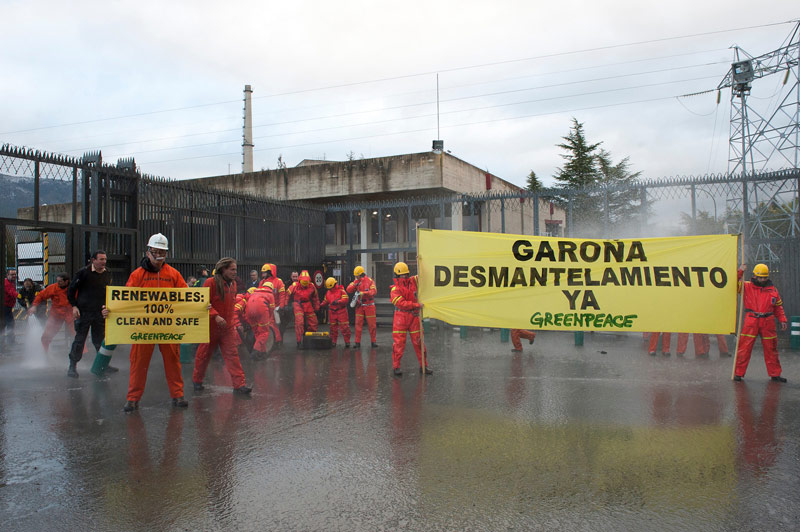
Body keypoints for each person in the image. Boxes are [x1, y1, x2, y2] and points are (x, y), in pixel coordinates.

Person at [121, 233, 189, 412]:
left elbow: (187, 297)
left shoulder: (173, 274)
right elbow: (125, 300)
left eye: (163, 252)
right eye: (156, 252)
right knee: (138, 363)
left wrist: (201, 306)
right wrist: (109, 310)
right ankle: (133, 399)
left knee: (173, 361)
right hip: (144, 328)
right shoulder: (137, 275)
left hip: (168, 327)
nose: (159, 256)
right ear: (148, 252)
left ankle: (178, 395)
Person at [193, 257, 252, 394]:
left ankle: (239, 385)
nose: (235, 272)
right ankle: (197, 380)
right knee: (203, 355)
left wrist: (235, 323)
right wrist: (215, 315)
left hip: (227, 328)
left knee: (233, 356)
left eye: (235, 269)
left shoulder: (234, 285)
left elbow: (232, 307)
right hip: (210, 327)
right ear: (223, 269)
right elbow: (203, 303)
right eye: (232, 269)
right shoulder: (210, 282)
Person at [734, 263, 788, 383]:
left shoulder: (773, 290)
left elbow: (778, 307)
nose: (762, 279)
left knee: (771, 349)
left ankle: (775, 374)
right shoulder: (746, 286)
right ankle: (738, 373)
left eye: (764, 277)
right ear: (755, 276)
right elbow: (733, 283)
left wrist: (782, 319)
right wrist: (740, 271)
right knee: (744, 348)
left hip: (768, 321)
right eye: (760, 277)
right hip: (751, 320)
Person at [66, 251, 113, 378]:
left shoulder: (107, 273)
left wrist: (107, 307)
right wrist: (74, 306)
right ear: (93, 260)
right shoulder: (83, 273)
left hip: (99, 312)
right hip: (84, 312)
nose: (104, 262)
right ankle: (72, 366)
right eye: (101, 259)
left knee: (100, 340)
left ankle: (103, 365)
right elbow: (71, 290)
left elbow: (109, 292)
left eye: (105, 259)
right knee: (80, 340)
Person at [390, 261, 431, 376]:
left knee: (419, 343)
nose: (404, 276)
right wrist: (416, 305)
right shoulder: (394, 289)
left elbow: (424, 276)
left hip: (413, 317)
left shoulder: (413, 281)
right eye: (402, 275)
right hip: (401, 317)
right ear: (397, 276)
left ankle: (424, 366)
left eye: (406, 274)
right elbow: (401, 303)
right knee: (399, 344)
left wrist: (422, 261)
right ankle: (396, 367)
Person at [28, 273, 74, 351]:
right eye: (57, 281)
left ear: (66, 282)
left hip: (70, 312)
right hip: (56, 314)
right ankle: (44, 353)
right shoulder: (53, 288)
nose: (58, 283)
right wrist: (34, 306)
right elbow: (41, 296)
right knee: (46, 336)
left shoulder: (73, 288)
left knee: (76, 334)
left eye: (60, 281)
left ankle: (82, 353)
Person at [346, 265, 378, 348]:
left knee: (372, 325)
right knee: (358, 324)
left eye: (357, 276)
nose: (356, 277)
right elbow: (348, 289)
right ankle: (357, 342)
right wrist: (355, 284)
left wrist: (364, 293)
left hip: (369, 305)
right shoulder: (356, 282)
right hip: (360, 306)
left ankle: (373, 341)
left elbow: (373, 291)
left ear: (361, 274)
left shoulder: (370, 281)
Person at [287, 270, 319, 348]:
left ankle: (309, 339)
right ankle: (299, 341)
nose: (304, 285)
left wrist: (317, 307)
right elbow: (287, 295)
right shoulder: (294, 285)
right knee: (299, 323)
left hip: (307, 303)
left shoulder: (312, 286)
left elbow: (315, 297)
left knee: (314, 322)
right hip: (297, 304)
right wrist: (285, 305)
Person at [245, 282, 276, 358]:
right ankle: (256, 351)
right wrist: (268, 318)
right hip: (261, 310)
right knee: (264, 332)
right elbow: (272, 308)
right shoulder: (270, 294)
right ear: (271, 288)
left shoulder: (255, 293)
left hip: (249, 311)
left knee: (257, 332)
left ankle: (262, 352)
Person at [260, 263, 286, 346]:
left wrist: (281, 307)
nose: (262, 274)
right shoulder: (262, 282)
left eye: (264, 272)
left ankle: (278, 341)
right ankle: (271, 341)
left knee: (274, 324)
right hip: (265, 307)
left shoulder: (278, 281)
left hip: (276, 308)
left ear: (269, 272)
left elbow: (282, 295)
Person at [320, 277, 351, 347]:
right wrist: (321, 305)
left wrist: (338, 302)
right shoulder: (328, 292)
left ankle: (347, 342)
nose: (330, 289)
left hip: (341, 311)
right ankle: (333, 342)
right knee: (333, 328)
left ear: (334, 285)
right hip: (332, 312)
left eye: (330, 288)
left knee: (345, 328)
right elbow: (326, 300)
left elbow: (346, 299)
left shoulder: (341, 291)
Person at [2, 268, 19, 344]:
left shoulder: (12, 282)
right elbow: (11, 292)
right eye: (12, 274)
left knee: (8, 323)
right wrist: (19, 296)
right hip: (4, 307)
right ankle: (10, 341)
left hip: (8, 307)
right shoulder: (6, 283)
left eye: (15, 274)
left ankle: (8, 341)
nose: (14, 276)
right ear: (7, 275)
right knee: (10, 323)